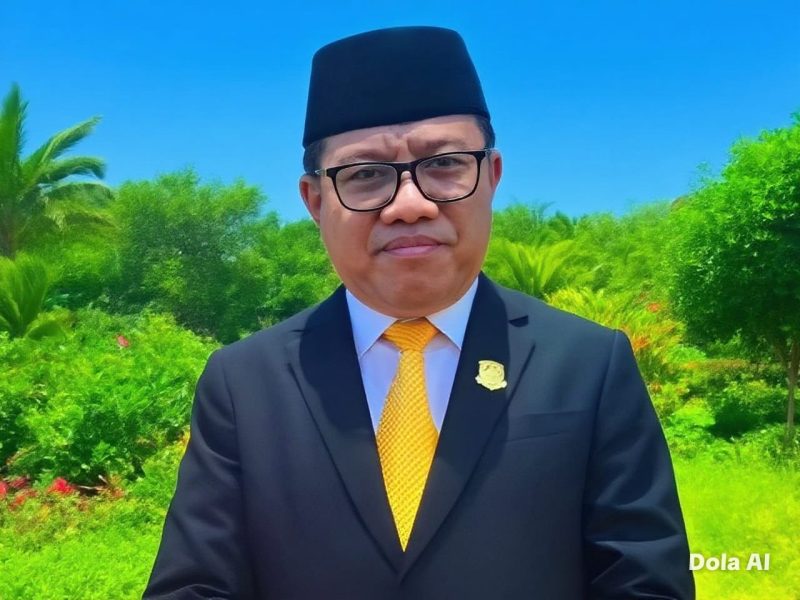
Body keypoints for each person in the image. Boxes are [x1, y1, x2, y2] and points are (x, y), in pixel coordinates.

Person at [144, 26, 694, 599]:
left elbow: (645, 583)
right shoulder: (244, 383)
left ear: (491, 176)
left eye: (445, 164)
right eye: (364, 175)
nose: (410, 205)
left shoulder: (588, 364)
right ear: (315, 200)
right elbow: (195, 587)